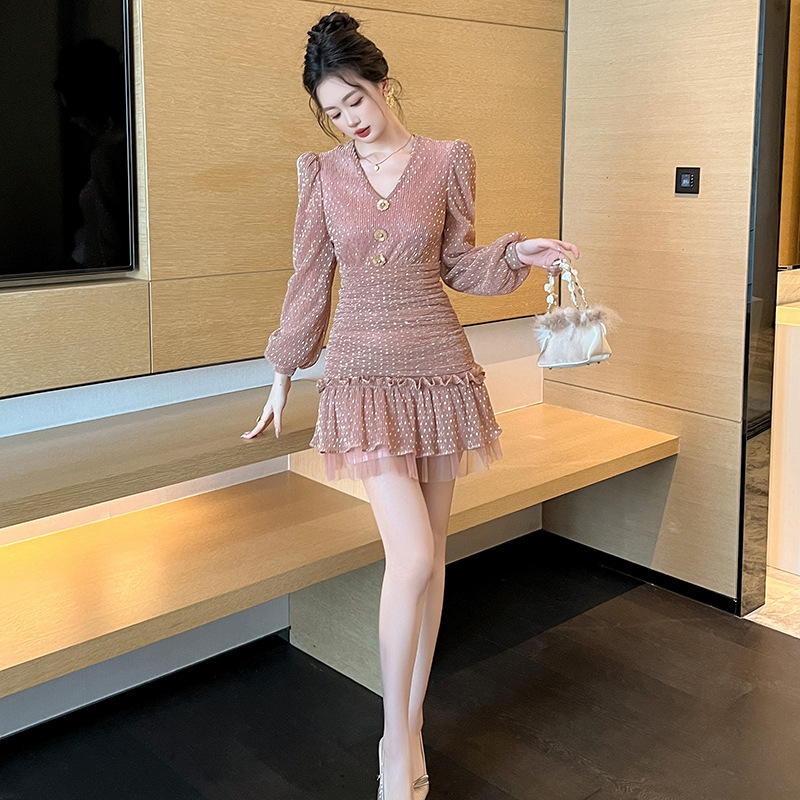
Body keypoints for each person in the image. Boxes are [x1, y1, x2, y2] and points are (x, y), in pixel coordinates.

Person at [241, 11, 580, 799]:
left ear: (384, 84)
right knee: (414, 557)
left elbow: (458, 264)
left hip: (438, 371)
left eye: (355, 99)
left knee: (433, 560)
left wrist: (516, 253)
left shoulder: (447, 159)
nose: (349, 119)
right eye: (333, 111)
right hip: (360, 378)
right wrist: (283, 372)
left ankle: (412, 725)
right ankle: (395, 741)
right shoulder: (321, 175)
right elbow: (309, 277)